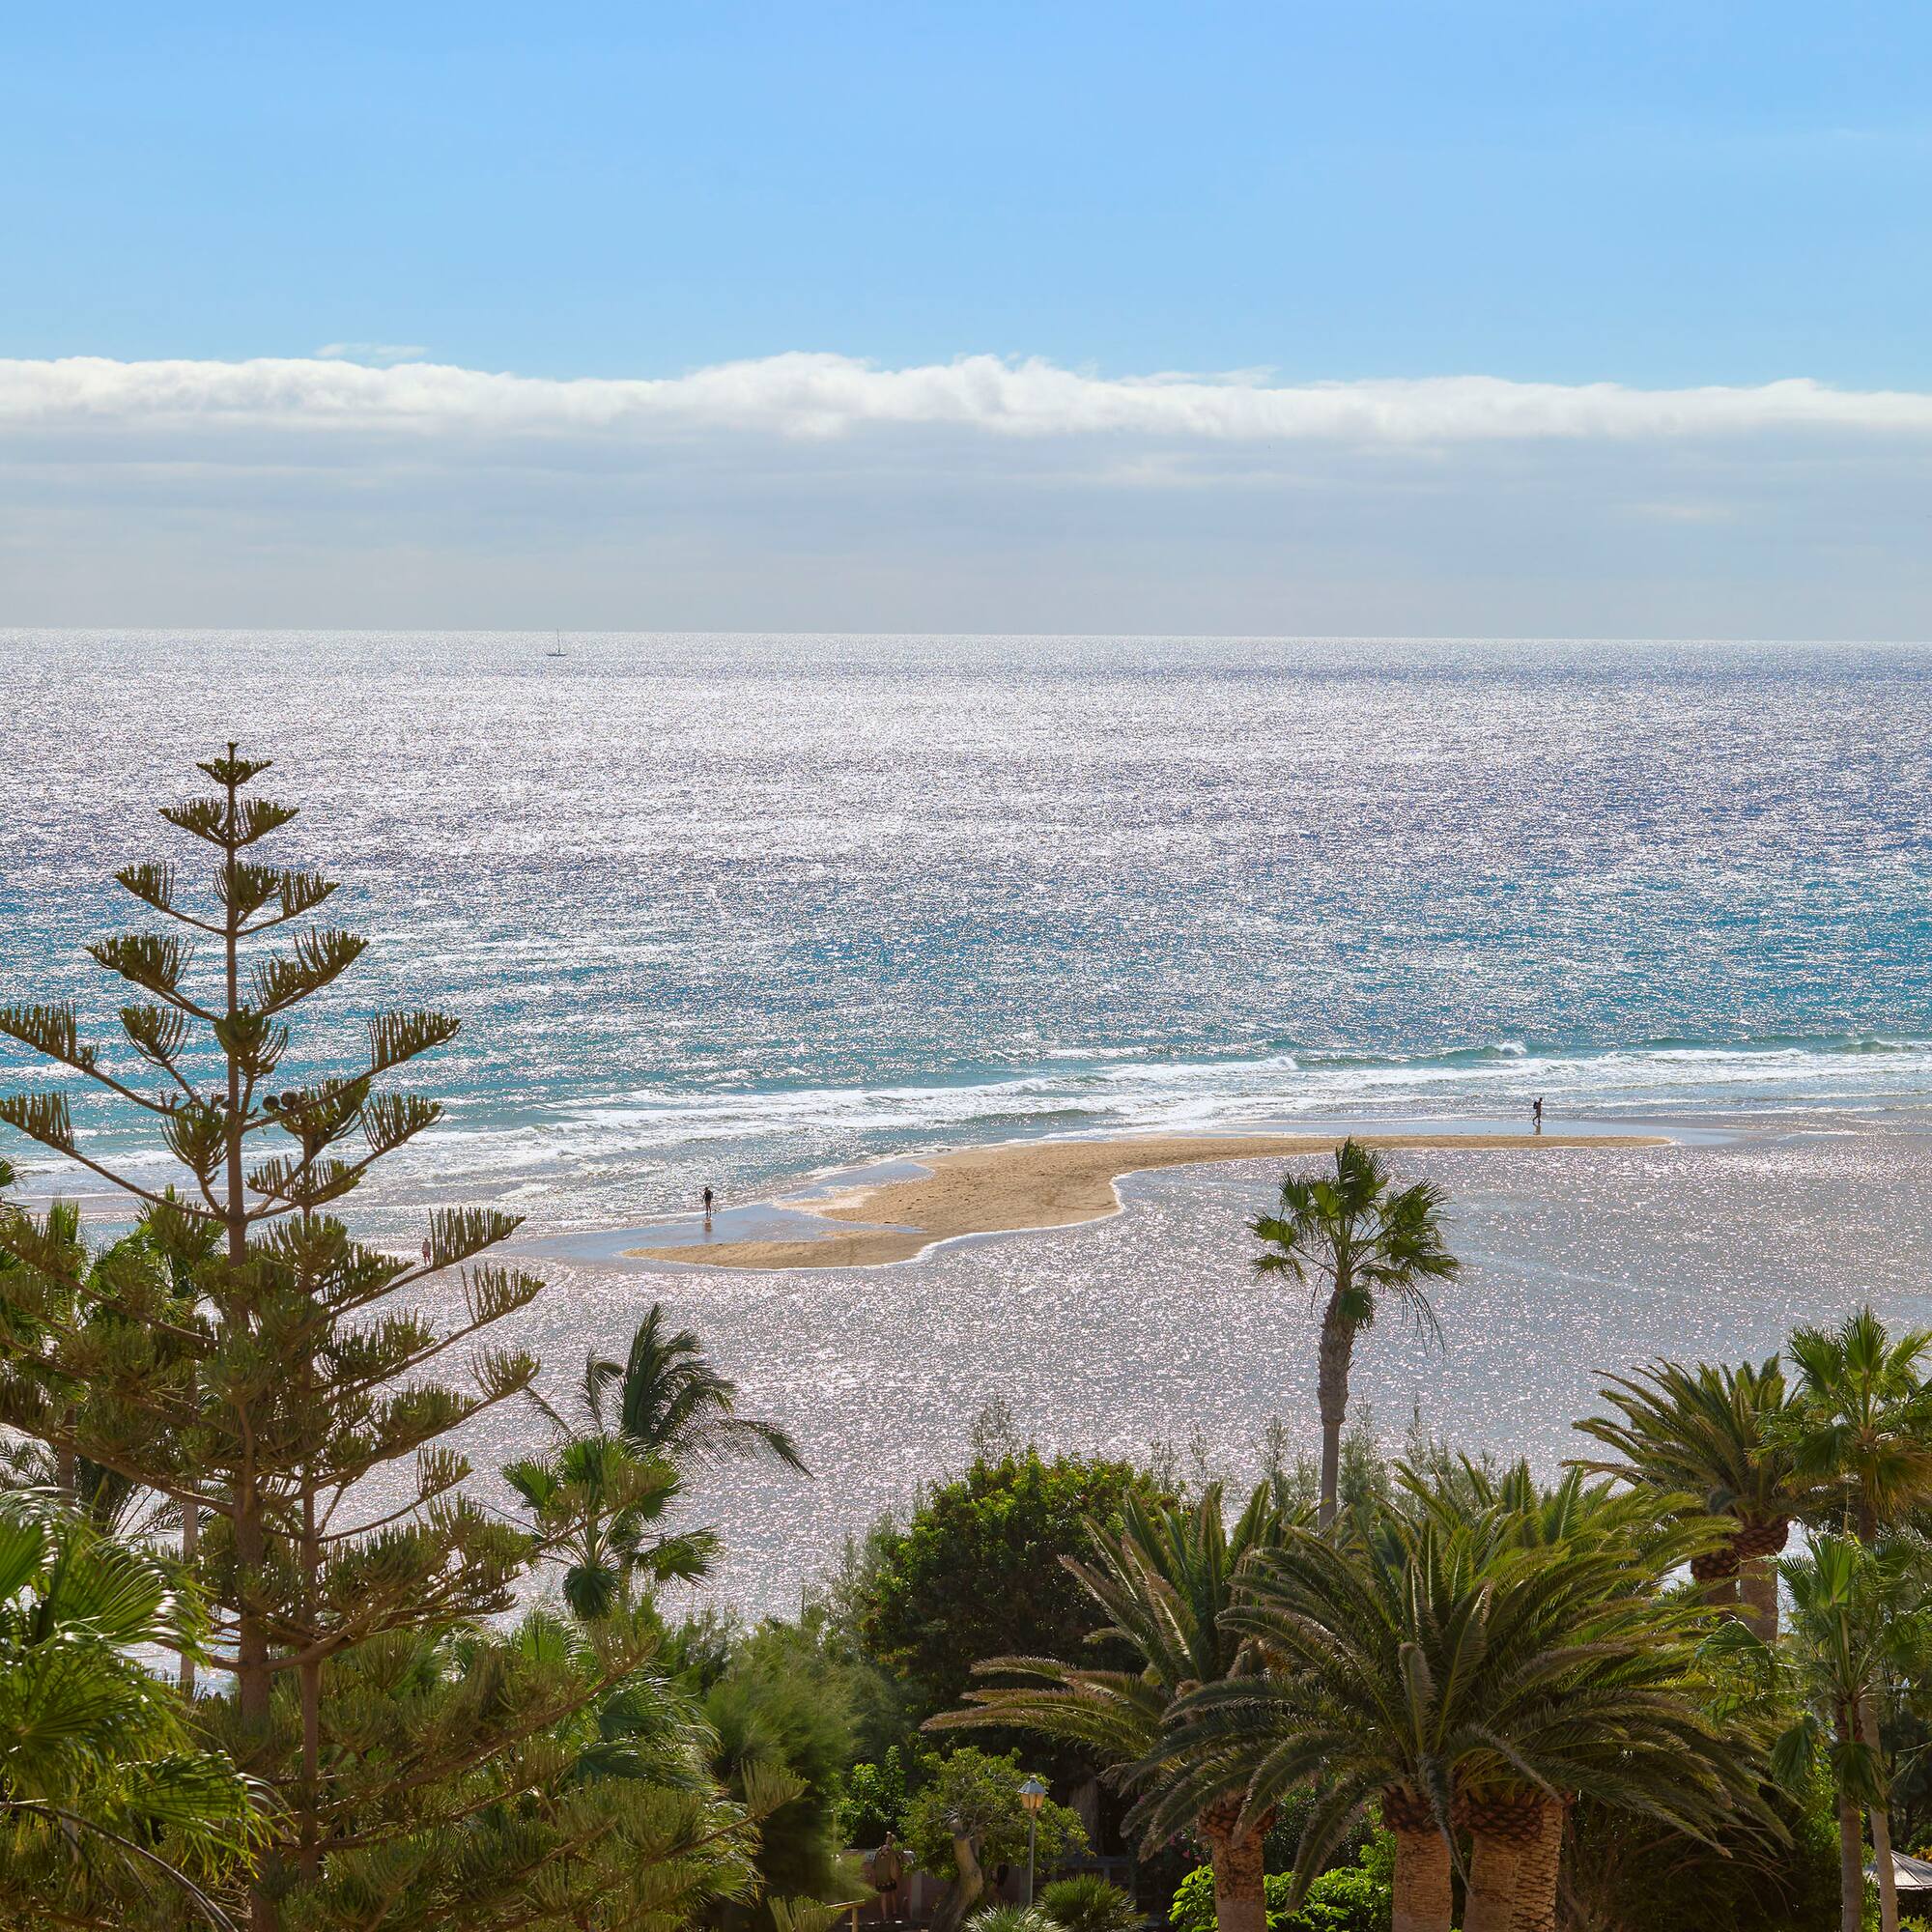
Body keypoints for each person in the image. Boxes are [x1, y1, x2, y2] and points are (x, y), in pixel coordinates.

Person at [867, 1833, 906, 1925]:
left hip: (880, 1877)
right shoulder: (893, 1851)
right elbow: (902, 1858)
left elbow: (874, 1865)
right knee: (892, 1892)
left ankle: (885, 1916)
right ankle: (895, 1911)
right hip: (889, 1877)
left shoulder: (878, 1851)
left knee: (883, 1896)